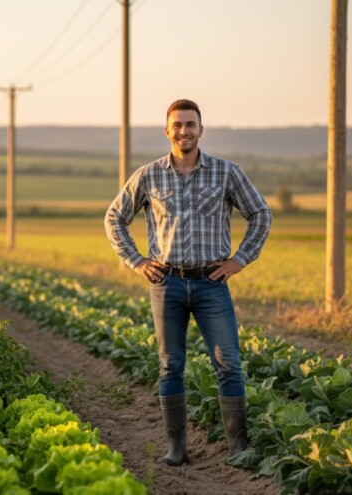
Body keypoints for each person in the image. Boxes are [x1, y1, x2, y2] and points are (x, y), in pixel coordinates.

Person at [105, 99, 271, 465]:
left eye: (190, 124)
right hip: (167, 284)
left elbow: (260, 213)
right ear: (167, 131)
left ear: (201, 129)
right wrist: (137, 261)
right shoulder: (148, 175)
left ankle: (238, 448)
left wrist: (239, 260)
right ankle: (176, 449)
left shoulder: (226, 172)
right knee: (170, 365)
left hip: (212, 283)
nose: (184, 131)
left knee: (228, 364)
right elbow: (114, 217)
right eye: (177, 125)